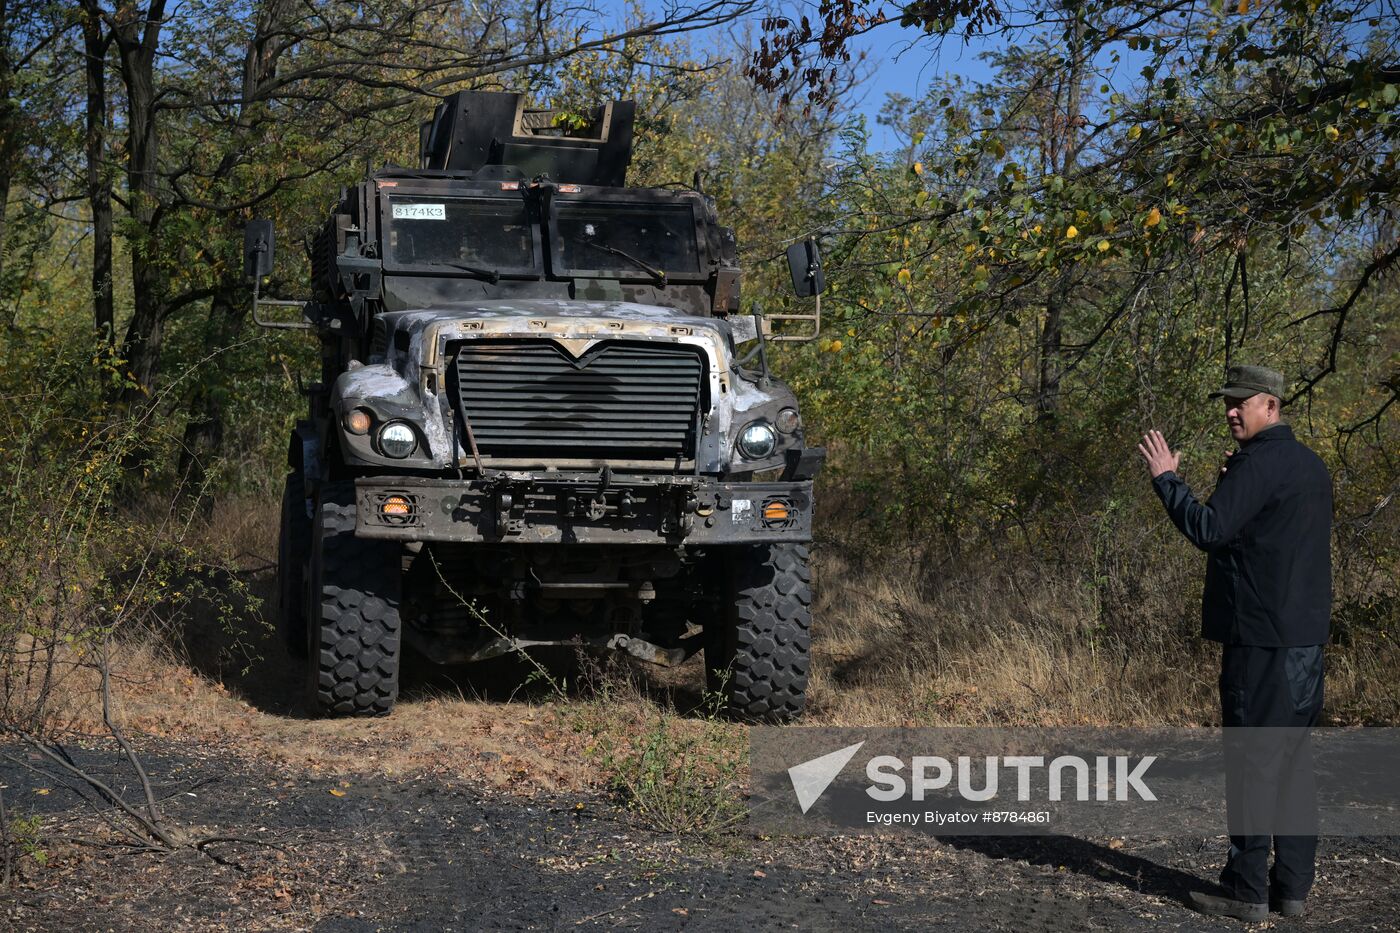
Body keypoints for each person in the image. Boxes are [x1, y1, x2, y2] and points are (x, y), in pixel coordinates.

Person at [1137, 364, 1332, 922]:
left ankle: (1246, 893)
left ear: (1270, 406)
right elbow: (1266, 539)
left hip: (1261, 644)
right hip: (1305, 643)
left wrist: (1167, 479)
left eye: (1240, 402)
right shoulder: (1309, 466)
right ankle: (1291, 889)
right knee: (1292, 764)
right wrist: (1235, 481)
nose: (1230, 409)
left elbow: (1207, 529)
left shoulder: (1260, 463)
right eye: (1227, 400)